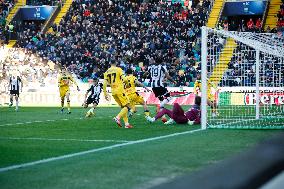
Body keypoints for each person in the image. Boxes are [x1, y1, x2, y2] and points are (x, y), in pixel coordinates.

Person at [103, 60, 133, 129]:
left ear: (110, 63)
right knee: (128, 107)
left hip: (113, 92)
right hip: (120, 90)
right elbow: (125, 79)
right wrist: (128, 84)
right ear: (116, 63)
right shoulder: (118, 69)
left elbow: (104, 84)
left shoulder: (106, 72)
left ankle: (126, 124)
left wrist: (105, 94)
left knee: (123, 107)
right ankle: (117, 117)